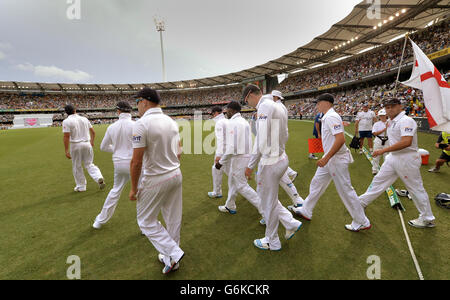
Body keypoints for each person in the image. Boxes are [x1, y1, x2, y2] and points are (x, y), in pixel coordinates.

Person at [291, 94, 371, 232]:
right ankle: (306, 210)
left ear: (325, 103)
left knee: (345, 190)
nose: (316, 106)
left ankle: (362, 221)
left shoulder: (331, 116)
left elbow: (340, 140)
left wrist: (326, 157)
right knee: (316, 183)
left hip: (335, 159)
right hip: (331, 159)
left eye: (318, 103)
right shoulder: (329, 116)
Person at [129, 88, 184, 274]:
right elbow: (179, 151)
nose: (137, 106)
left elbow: (136, 162)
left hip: (155, 178)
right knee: (173, 218)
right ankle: (171, 259)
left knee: (145, 221)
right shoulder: (171, 121)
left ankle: (174, 253)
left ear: (144, 101)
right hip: (175, 173)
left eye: (137, 102)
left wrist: (133, 188)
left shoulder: (141, 124)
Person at [359, 98, 436, 229]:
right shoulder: (391, 121)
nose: (389, 109)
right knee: (378, 180)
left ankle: (427, 218)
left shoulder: (406, 120)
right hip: (393, 157)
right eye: (387, 107)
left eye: (392, 106)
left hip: (406, 158)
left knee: (415, 188)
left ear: (400, 106)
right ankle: (361, 202)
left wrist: (383, 150)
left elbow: (407, 142)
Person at [243, 84, 302, 251]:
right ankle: (290, 223)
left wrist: (250, 165)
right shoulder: (279, 106)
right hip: (281, 157)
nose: (247, 103)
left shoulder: (264, 106)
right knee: (269, 198)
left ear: (250, 95)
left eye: (246, 100)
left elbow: (260, 140)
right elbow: (286, 133)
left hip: (270, 161)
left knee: (267, 201)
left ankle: (272, 241)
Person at [215, 101, 264, 218]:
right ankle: (230, 205)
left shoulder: (233, 122)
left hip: (239, 158)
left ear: (232, 110)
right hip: (245, 155)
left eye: (227, 111)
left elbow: (232, 146)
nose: (226, 113)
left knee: (242, 186)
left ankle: (266, 211)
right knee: (232, 181)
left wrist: (221, 162)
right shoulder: (243, 121)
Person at [93, 101, 135, 229]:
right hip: (135, 163)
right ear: (130, 111)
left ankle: (99, 221)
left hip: (118, 163)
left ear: (118, 111)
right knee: (143, 192)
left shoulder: (112, 127)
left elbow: (103, 147)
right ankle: (147, 225)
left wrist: (116, 149)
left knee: (115, 190)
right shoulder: (137, 125)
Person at [271, 90, 303, 208]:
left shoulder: (275, 107)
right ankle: (297, 199)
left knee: (270, 177)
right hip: (280, 140)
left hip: (274, 143)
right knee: (281, 173)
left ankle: (269, 211)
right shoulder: (282, 107)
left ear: (274, 97)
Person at [62, 104, 105, 192]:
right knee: (89, 164)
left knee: (77, 166)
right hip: (87, 143)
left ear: (66, 112)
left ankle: (81, 186)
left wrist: (66, 150)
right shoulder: (84, 119)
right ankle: (98, 177)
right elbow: (93, 132)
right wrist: (92, 142)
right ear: (75, 110)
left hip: (76, 145)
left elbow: (66, 136)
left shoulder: (66, 121)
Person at [208, 106, 228, 198]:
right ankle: (217, 191)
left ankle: (217, 192)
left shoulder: (219, 122)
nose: (212, 116)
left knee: (216, 168)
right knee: (225, 171)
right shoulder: (226, 120)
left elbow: (221, 139)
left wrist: (219, 154)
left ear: (216, 113)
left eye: (212, 114)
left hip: (223, 151)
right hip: (229, 150)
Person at [371, 109, 389, 175]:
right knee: (376, 155)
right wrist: (384, 129)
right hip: (378, 140)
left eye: (383, 115)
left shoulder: (390, 123)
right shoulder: (376, 124)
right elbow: (375, 133)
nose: (382, 117)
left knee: (386, 156)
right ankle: (374, 169)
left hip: (387, 140)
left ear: (386, 115)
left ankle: (385, 170)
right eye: (380, 116)